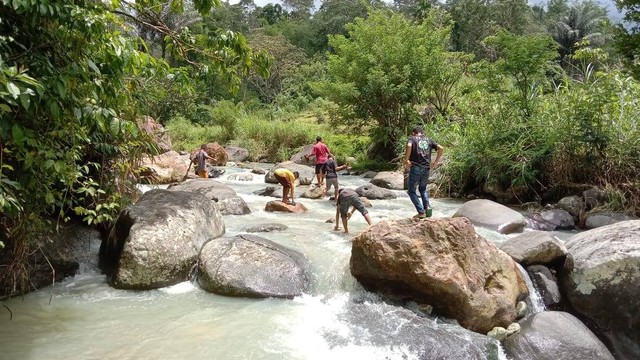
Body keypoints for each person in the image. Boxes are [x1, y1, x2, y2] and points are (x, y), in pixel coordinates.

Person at [404, 125, 443, 219]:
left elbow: (409, 145)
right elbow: (441, 148)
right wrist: (436, 161)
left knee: (411, 191)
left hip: (416, 167)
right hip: (426, 167)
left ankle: (421, 212)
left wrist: (406, 159)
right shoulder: (428, 140)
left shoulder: (412, 138)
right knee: (423, 189)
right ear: (423, 133)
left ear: (413, 133)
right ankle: (427, 208)